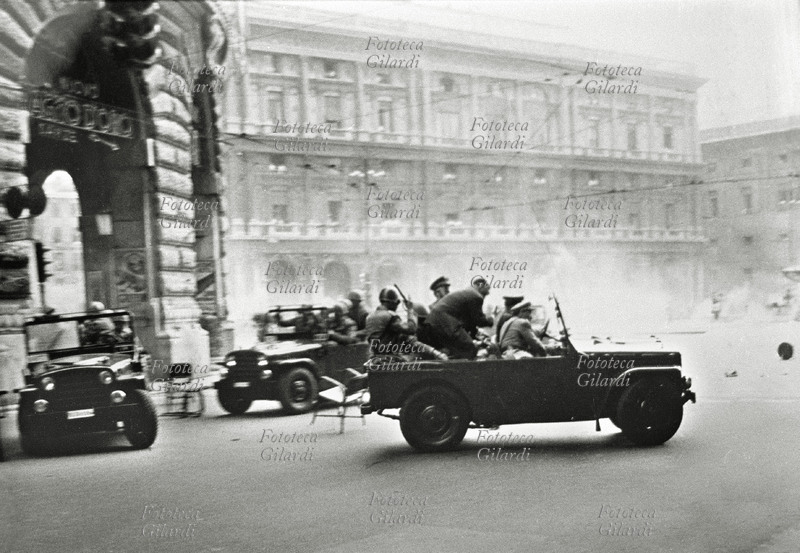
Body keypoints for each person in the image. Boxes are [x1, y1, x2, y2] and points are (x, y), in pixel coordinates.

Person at [426, 277, 493, 359]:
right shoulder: (476, 296)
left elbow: (469, 322)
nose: (488, 293)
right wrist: (490, 320)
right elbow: (479, 320)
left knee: (458, 349)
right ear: (480, 286)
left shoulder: (466, 295)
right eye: (487, 290)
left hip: (436, 323)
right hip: (445, 322)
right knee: (469, 347)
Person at [364, 287, 417, 357]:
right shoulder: (391, 316)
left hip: (374, 356)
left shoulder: (370, 316)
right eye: (397, 303)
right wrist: (410, 310)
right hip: (389, 357)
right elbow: (411, 329)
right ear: (392, 302)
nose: (396, 306)